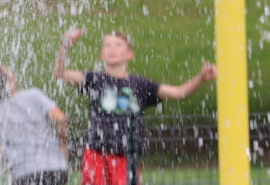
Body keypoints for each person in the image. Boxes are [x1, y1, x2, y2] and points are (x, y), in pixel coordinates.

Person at [53, 29, 216, 185]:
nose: (112, 49)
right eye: (107, 45)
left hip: (126, 155)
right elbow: (59, 73)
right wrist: (65, 46)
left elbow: (179, 92)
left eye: (118, 45)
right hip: (96, 153)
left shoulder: (141, 85)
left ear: (130, 54)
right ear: (101, 55)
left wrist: (200, 78)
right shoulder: (94, 79)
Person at [0, 63, 69, 185]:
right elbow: (60, 119)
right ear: (9, 82)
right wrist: (62, 144)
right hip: (54, 167)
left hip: (24, 174)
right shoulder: (33, 96)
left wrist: (15, 157)